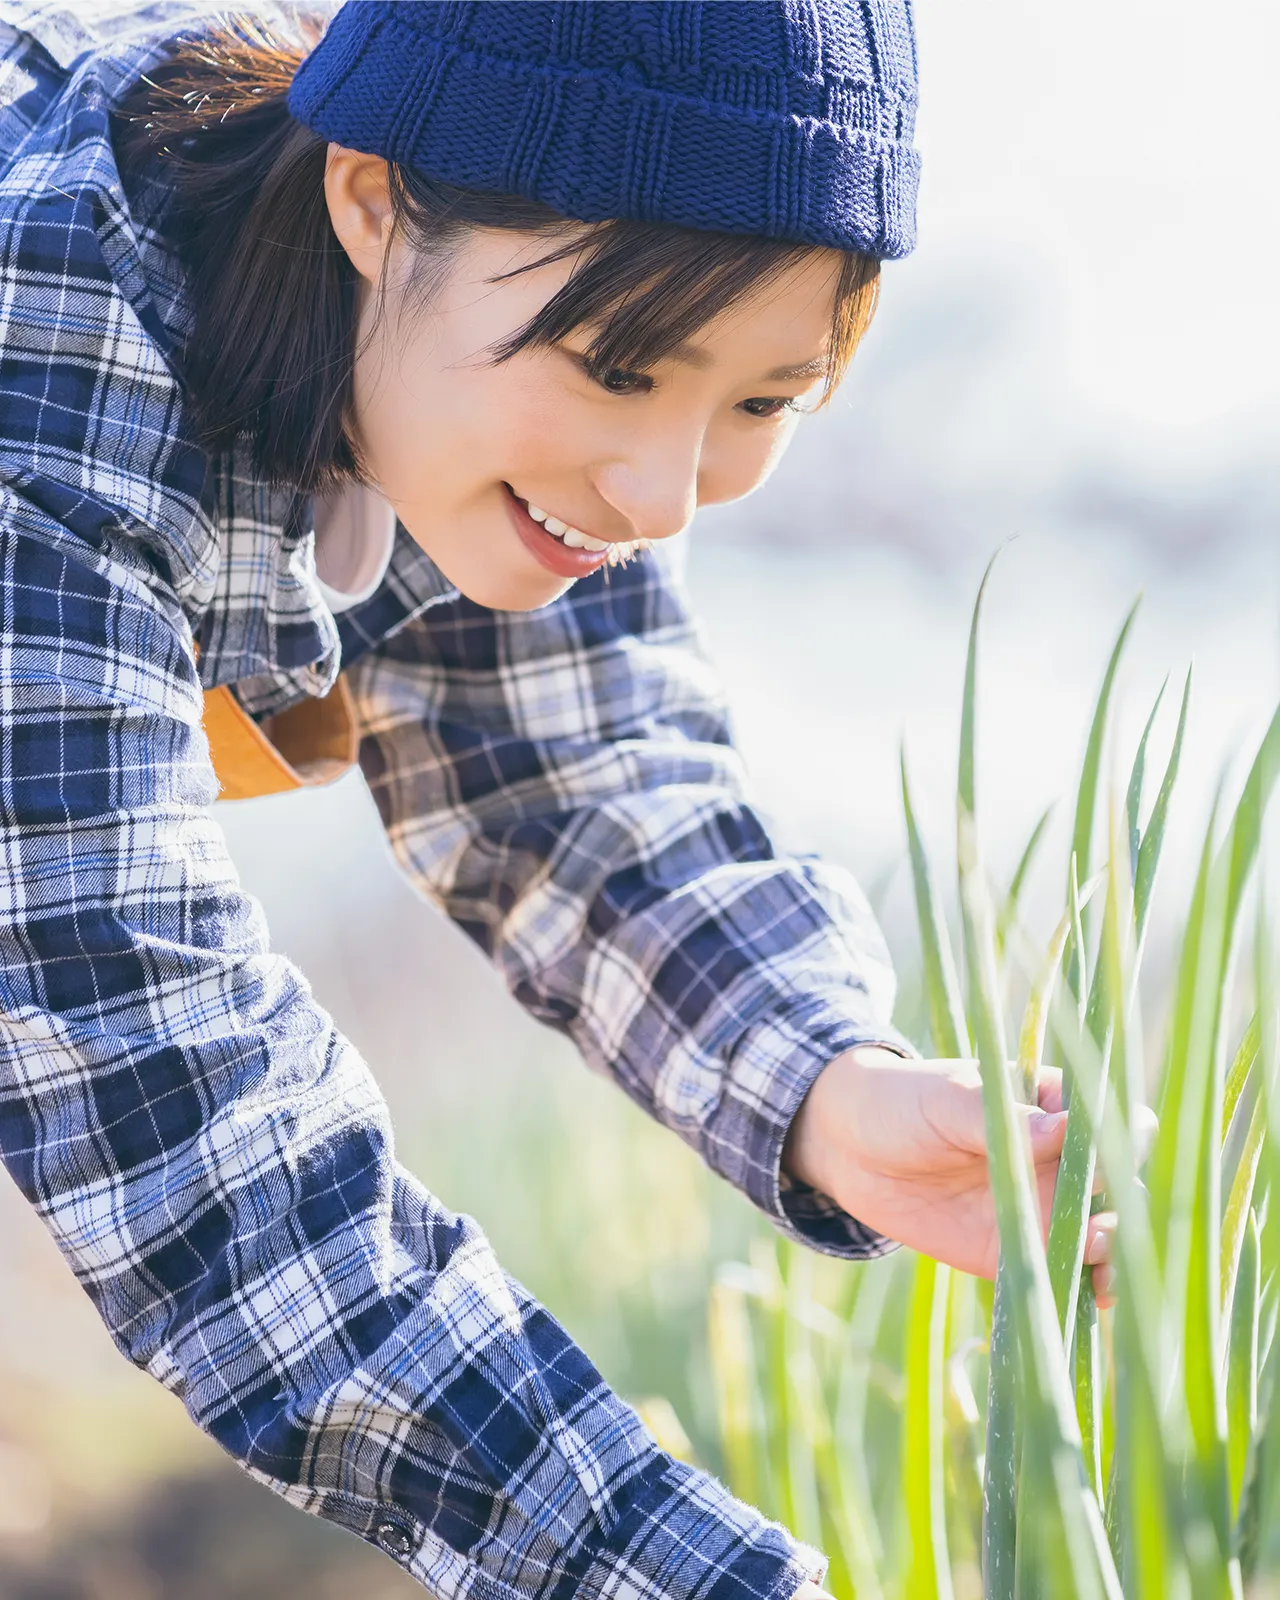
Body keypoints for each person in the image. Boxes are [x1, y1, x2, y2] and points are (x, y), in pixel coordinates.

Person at [0, 2, 1116, 1596]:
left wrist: (828, 1084)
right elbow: (187, 1124)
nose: (661, 496)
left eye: (762, 401)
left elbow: (576, 784)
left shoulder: (424, 347)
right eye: (621, 366)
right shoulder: (43, 374)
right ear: (371, 198)